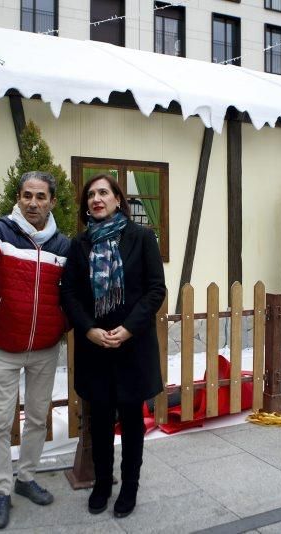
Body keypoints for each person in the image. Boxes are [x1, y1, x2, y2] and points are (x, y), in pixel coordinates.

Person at [0, 171, 70, 529]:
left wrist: (61, 325)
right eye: (27, 196)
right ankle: (2, 491)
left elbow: (72, 292)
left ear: (52, 201)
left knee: (38, 418)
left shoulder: (63, 246)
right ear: (18, 198)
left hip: (44, 349)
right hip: (3, 347)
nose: (33, 203)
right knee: (0, 423)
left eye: (40, 197)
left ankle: (25, 478)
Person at [60, 173, 166, 519]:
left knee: (133, 419)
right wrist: (88, 329)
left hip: (132, 345)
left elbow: (155, 290)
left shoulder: (141, 237)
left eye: (103, 192)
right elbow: (70, 293)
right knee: (100, 417)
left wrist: (128, 328)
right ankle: (104, 482)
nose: (97, 198)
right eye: (91, 194)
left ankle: (130, 486)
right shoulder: (81, 244)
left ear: (118, 199)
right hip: (95, 347)